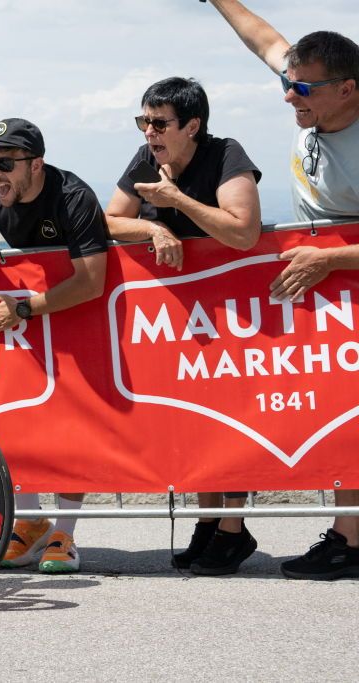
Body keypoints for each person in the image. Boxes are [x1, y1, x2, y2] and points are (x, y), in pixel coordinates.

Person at [209, 0, 359, 580]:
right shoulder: (310, 86)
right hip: (326, 287)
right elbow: (264, 38)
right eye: (288, 82)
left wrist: (332, 258)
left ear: (347, 89)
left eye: (303, 89)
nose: (288, 95)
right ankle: (349, 535)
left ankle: (349, 540)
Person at [104, 77, 263, 575]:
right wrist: (153, 225)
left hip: (233, 312)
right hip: (178, 317)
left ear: (192, 126)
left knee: (232, 419)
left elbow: (244, 230)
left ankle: (233, 530)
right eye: (143, 121)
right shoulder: (145, 156)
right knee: (197, 418)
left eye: (159, 123)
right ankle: (208, 523)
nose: (149, 131)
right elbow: (108, 219)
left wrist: (177, 202)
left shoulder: (226, 154)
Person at [0, 117, 108, 575]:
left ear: (36, 163)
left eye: (4, 163)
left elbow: (92, 281)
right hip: (34, 317)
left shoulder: (73, 197)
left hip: (77, 314)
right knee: (20, 415)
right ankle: (32, 520)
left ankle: (66, 532)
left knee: (74, 422)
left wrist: (21, 309)